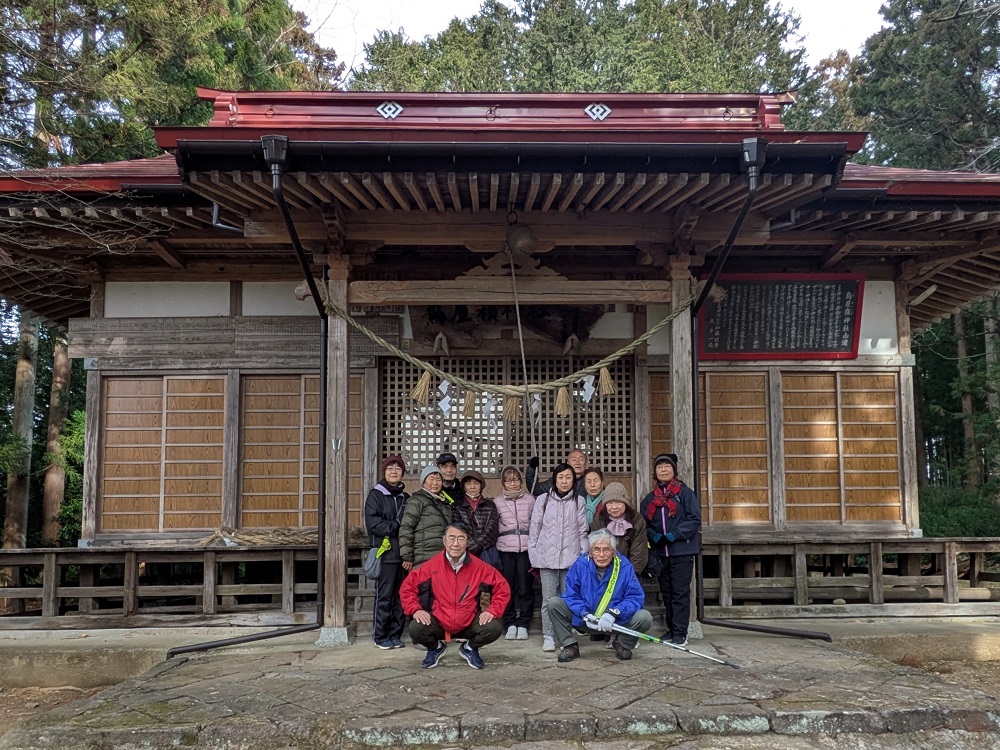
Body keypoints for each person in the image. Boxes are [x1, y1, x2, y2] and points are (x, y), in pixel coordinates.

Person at [399, 522, 511, 670]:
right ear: (444, 541)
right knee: (416, 628)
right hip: (440, 620)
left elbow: (502, 587)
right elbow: (407, 587)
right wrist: (415, 609)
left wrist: (492, 610)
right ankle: (435, 648)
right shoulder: (432, 565)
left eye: (461, 538)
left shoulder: (479, 567)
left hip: (469, 621)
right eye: (451, 538)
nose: (456, 544)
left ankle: (470, 648)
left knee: (494, 627)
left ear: (467, 541)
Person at [549, 528, 653, 663]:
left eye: (606, 550)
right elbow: (571, 595)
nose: (602, 554)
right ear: (591, 552)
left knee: (644, 617)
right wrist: (584, 614)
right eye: (597, 549)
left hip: (614, 622)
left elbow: (635, 598)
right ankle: (570, 645)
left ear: (614, 552)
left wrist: (614, 613)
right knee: (554, 603)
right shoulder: (580, 564)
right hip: (586, 619)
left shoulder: (624, 567)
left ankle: (623, 644)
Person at [639, 452, 702, 647]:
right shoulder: (650, 499)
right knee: (666, 592)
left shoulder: (684, 493)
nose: (663, 469)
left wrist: (675, 534)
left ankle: (681, 632)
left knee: (680, 593)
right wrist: (653, 535)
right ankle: (672, 629)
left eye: (667, 466)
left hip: (681, 551)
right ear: (655, 472)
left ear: (674, 470)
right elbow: (644, 524)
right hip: (661, 553)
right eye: (659, 467)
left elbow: (694, 519)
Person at [528, 462, 589, 652]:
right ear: (555, 479)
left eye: (568, 477)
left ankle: (565, 635)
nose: (564, 481)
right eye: (560, 477)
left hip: (571, 560)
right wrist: (535, 555)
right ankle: (548, 635)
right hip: (547, 559)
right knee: (548, 599)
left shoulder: (579, 501)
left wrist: (584, 556)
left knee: (568, 599)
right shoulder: (543, 500)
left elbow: (582, 531)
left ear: (573, 480)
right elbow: (534, 530)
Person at [363, 455, 411, 649]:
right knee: (384, 596)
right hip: (385, 554)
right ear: (384, 472)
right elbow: (374, 523)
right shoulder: (375, 495)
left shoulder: (406, 498)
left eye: (398, 468)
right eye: (390, 468)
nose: (394, 471)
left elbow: (411, 526)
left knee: (401, 596)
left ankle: (395, 634)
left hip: (403, 555)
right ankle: (380, 636)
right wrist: (397, 527)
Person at [494, 465, 536, 640]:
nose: (512, 483)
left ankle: (524, 623)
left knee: (526, 587)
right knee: (508, 586)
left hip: (526, 548)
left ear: (520, 481)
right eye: (508, 480)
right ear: (503, 483)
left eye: (516, 479)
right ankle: (510, 622)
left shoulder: (530, 500)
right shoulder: (496, 502)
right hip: (505, 548)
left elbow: (536, 523)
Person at [399, 464, 455, 570]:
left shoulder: (445, 503)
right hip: (423, 559)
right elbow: (406, 528)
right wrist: (407, 556)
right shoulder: (416, 501)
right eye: (431, 479)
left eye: (438, 479)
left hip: (443, 558)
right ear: (423, 482)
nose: (435, 483)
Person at [452, 469, 500, 564]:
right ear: (464, 487)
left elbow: (492, 529)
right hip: (466, 550)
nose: (472, 486)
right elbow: (458, 527)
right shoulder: (457, 506)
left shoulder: (490, 505)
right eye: (468, 483)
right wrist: (469, 545)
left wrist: (478, 545)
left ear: (481, 486)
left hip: (487, 551)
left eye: (476, 483)